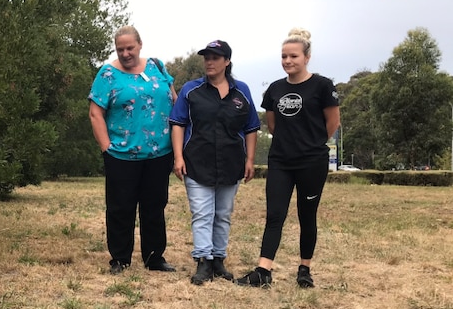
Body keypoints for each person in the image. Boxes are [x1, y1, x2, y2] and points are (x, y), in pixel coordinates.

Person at [235, 28, 340, 288]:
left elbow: (332, 123)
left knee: (307, 215)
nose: (288, 61)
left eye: (293, 56)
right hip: (281, 161)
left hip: (312, 162)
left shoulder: (323, 86)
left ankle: (304, 269)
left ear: (307, 57)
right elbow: (272, 125)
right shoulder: (275, 89)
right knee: (275, 215)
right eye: (284, 56)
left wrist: (311, 143)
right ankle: (263, 271)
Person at [89, 25, 178, 275]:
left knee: (155, 205)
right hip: (121, 154)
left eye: (130, 48)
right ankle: (120, 258)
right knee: (121, 207)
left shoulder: (157, 67)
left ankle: (154, 257)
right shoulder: (107, 74)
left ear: (140, 45)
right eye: (120, 49)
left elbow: (173, 99)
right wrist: (107, 147)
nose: (126, 53)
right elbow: (96, 113)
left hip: (159, 153)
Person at [169, 40, 260, 285]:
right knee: (202, 213)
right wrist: (178, 157)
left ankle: (218, 259)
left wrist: (250, 159)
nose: (209, 62)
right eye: (206, 57)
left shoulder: (242, 91)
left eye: (215, 57)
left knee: (222, 214)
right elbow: (177, 123)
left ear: (227, 62)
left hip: (231, 163)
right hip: (197, 161)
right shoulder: (191, 90)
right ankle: (203, 261)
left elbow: (251, 127)